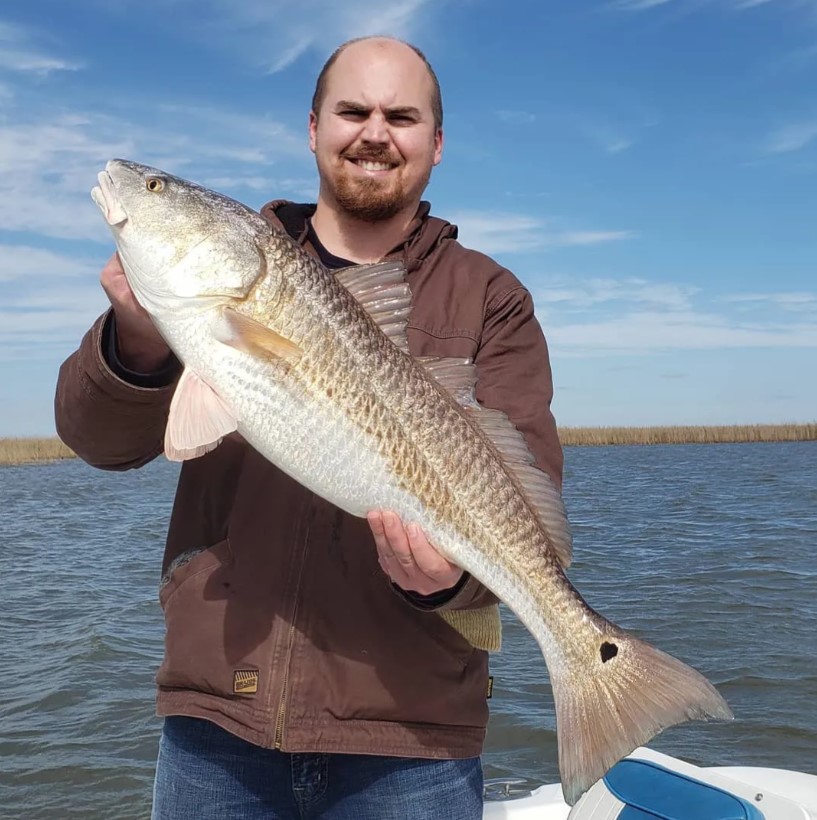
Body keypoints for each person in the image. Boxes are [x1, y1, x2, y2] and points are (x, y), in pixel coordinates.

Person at [55, 35, 563, 820]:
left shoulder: (488, 297)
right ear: (314, 127)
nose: (374, 133)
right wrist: (142, 335)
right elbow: (99, 442)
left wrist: (454, 582)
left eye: (401, 117)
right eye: (351, 111)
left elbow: (525, 486)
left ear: (436, 142)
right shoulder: (228, 271)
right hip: (217, 721)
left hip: (411, 737)